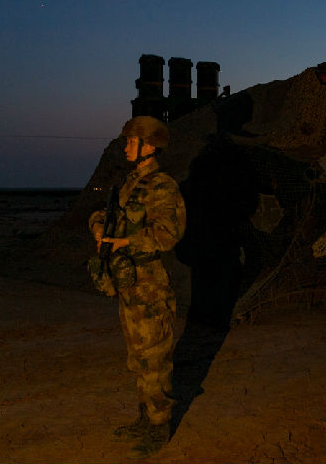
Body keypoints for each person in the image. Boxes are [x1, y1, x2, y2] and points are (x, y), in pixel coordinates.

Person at [87, 115, 186, 457]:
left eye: (132, 141)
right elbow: (107, 215)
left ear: (149, 146)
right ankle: (145, 419)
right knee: (138, 359)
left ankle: (159, 427)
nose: (126, 146)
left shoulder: (162, 186)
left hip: (149, 285)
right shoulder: (131, 183)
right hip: (129, 283)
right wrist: (99, 228)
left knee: (155, 359)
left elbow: (168, 234)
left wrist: (125, 242)